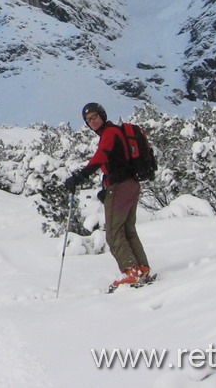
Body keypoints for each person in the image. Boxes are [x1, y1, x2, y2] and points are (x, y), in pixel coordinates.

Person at [63, 102, 152, 290]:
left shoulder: (109, 133)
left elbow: (101, 157)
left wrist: (80, 176)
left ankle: (132, 272)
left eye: (94, 116)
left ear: (102, 115)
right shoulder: (114, 132)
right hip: (130, 185)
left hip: (120, 187)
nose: (91, 121)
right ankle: (142, 268)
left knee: (113, 233)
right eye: (87, 120)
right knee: (128, 229)